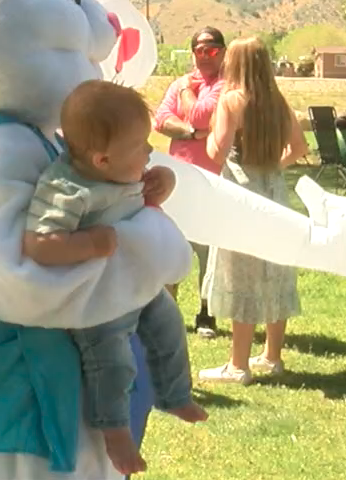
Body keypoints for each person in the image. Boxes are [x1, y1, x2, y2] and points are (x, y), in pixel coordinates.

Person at [22, 80, 206, 476]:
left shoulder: (122, 170)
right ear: (102, 160)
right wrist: (89, 243)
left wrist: (164, 183)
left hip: (137, 287)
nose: (149, 152)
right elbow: (38, 243)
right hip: (97, 301)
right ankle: (115, 432)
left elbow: (148, 190)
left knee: (170, 325)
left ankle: (175, 394)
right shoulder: (67, 187)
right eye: (141, 146)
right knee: (112, 362)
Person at [198, 36, 308, 384]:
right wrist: (275, 165)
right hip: (273, 191)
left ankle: (238, 365)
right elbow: (300, 146)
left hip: (240, 193)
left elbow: (217, 152)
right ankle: (272, 356)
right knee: (274, 270)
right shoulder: (277, 101)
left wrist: (215, 125)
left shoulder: (231, 100)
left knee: (240, 274)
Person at [153, 26, 227, 337]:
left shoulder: (227, 86)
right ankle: (168, 315)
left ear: (222, 51)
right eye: (199, 50)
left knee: (209, 252)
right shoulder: (179, 83)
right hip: (179, 179)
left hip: (213, 181)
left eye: (211, 50)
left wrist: (186, 96)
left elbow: (201, 114)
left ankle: (206, 314)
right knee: (173, 247)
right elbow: (161, 121)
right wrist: (193, 133)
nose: (204, 56)